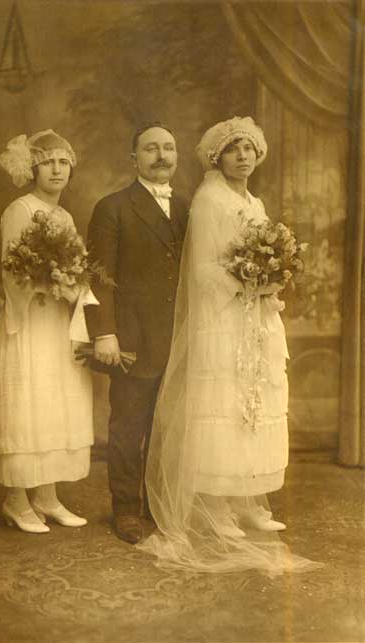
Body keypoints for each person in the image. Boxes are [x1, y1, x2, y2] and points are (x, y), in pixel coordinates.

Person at [138, 116, 320, 574]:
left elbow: (261, 255)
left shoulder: (253, 201)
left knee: (255, 404)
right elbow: (203, 270)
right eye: (234, 149)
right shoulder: (209, 200)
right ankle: (215, 504)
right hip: (222, 320)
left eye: (249, 149)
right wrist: (248, 283)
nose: (243, 157)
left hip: (255, 318)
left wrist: (269, 278)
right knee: (222, 404)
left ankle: (247, 497)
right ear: (217, 156)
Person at [0, 130, 94, 533]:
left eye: (64, 162)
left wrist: (73, 284)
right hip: (27, 325)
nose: (57, 169)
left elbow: (76, 266)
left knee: (54, 406)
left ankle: (46, 497)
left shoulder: (64, 216)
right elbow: (11, 273)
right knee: (29, 407)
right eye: (49, 162)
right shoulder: (20, 210)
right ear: (32, 168)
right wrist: (50, 284)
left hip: (56, 324)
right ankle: (16, 500)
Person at [85, 123, 188, 544]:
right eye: (151, 149)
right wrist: (104, 333)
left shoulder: (186, 208)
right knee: (128, 427)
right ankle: (126, 509)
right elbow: (98, 277)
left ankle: (157, 503)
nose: (161, 155)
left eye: (168, 147)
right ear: (134, 159)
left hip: (178, 339)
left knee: (168, 428)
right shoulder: (113, 207)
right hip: (131, 337)